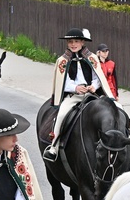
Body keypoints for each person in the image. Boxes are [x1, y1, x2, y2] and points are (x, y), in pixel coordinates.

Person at [43, 27, 117, 162]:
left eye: (76, 41)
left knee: (115, 106)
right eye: (70, 42)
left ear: (82, 42)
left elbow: (98, 77)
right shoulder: (62, 61)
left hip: (92, 95)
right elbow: (63, 82)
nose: (73, 44)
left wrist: (93, 86)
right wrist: (76, 88)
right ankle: (54, 147)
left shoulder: (92, 57)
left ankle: (128, 133)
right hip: (74, 96)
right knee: (61, 115)